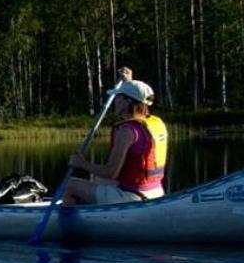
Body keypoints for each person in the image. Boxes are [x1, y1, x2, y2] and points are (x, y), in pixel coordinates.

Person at [60, 74, 168, 206]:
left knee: (70, 185)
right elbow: (138, 95)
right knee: (98, 180)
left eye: (118, 97)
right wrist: (128, 82)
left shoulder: (126, 132)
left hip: (132, 197)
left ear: (127, 102)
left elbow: (110, 172)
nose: (114, 101)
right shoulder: (156, 123)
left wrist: (81, 163)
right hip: (156, 192)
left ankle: (75, 223)